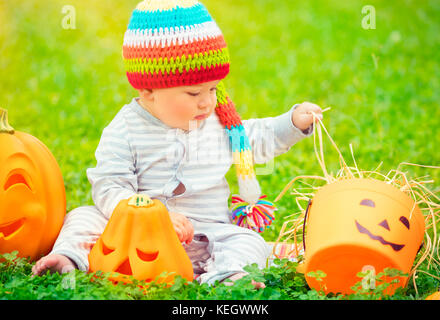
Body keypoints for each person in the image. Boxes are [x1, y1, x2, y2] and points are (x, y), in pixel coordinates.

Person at [32, 0, 323, 288]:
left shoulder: (218, 122)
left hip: (207, 235)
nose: (208, 101)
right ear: (148, 90)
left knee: (247, 240)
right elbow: (109, 186)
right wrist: (153, 216)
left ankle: (229, 274)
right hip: (137, 235)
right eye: (194, 92)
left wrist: (294, 122)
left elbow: (258, 136)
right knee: (84, 217)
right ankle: (67, 258)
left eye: (213, 88)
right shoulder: (125, 129)